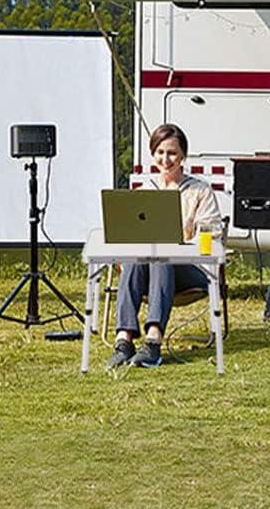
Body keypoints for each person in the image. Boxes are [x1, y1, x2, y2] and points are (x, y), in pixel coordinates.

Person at [106, 123, 221, 369]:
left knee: (162, 255)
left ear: (183, 156)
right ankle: (124, 340)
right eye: (160, 152)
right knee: (138, 257)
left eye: (172, 153)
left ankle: (153, 340)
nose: (165, 159)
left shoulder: (200, 190)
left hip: (191, 270)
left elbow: (210, 237)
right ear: (152, 154)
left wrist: (180, 245)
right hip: (149, 271)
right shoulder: (145, 190)